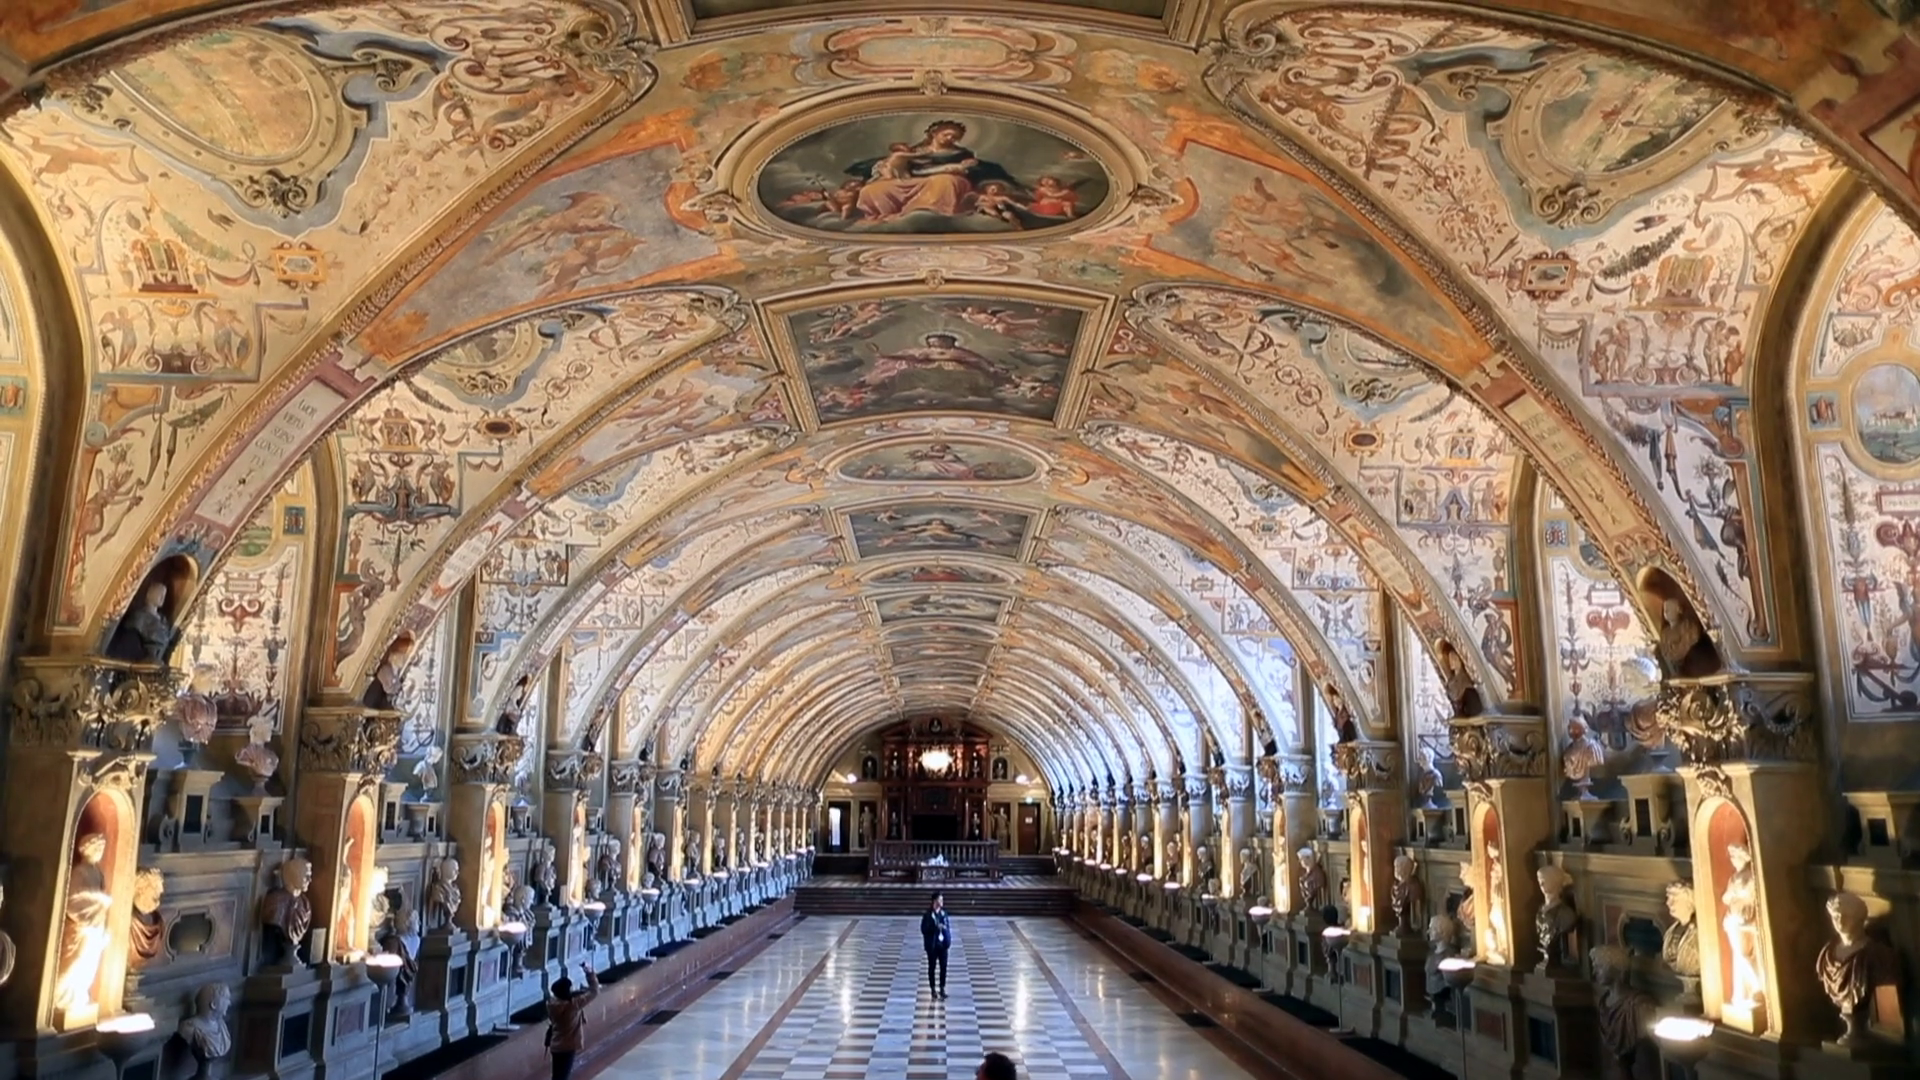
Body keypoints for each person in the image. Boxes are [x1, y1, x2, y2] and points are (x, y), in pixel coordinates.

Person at [545, 964, 601, 1080]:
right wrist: (590, 973)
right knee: (563, 1077)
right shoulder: (573, 1005)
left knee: (557, 1076)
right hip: (568, 1046)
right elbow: (594, 991)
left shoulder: (551, 1004)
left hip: (556, 1044)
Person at [921, 892, 953, 1000]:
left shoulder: (944, 914)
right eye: (940, 900)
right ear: (934, 901)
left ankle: (942, 988)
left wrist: (948, 940)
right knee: (932, 967)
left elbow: (947, 927)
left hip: (943, 945)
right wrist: (934, 927)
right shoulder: (928, 915)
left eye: (942, 900)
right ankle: (933, 989)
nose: (942, 902)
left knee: (943, 967)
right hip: (932, 946)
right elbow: (923, 929)